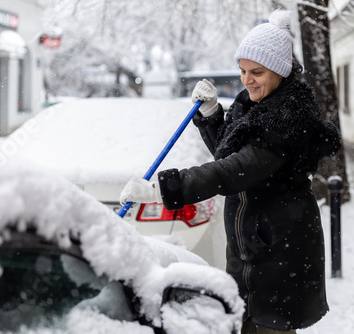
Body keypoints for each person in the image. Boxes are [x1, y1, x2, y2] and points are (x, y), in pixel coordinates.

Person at [120, 9, 341, 334]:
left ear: (279, 71)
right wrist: (212, 116)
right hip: (252, 249)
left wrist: (162, 191)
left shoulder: (289, 119)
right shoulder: (257, 105)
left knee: (269, 328)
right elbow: (230, 152)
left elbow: (235, 170)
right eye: (242, 71)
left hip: (279, 255)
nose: (246, 79)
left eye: (256, 72)